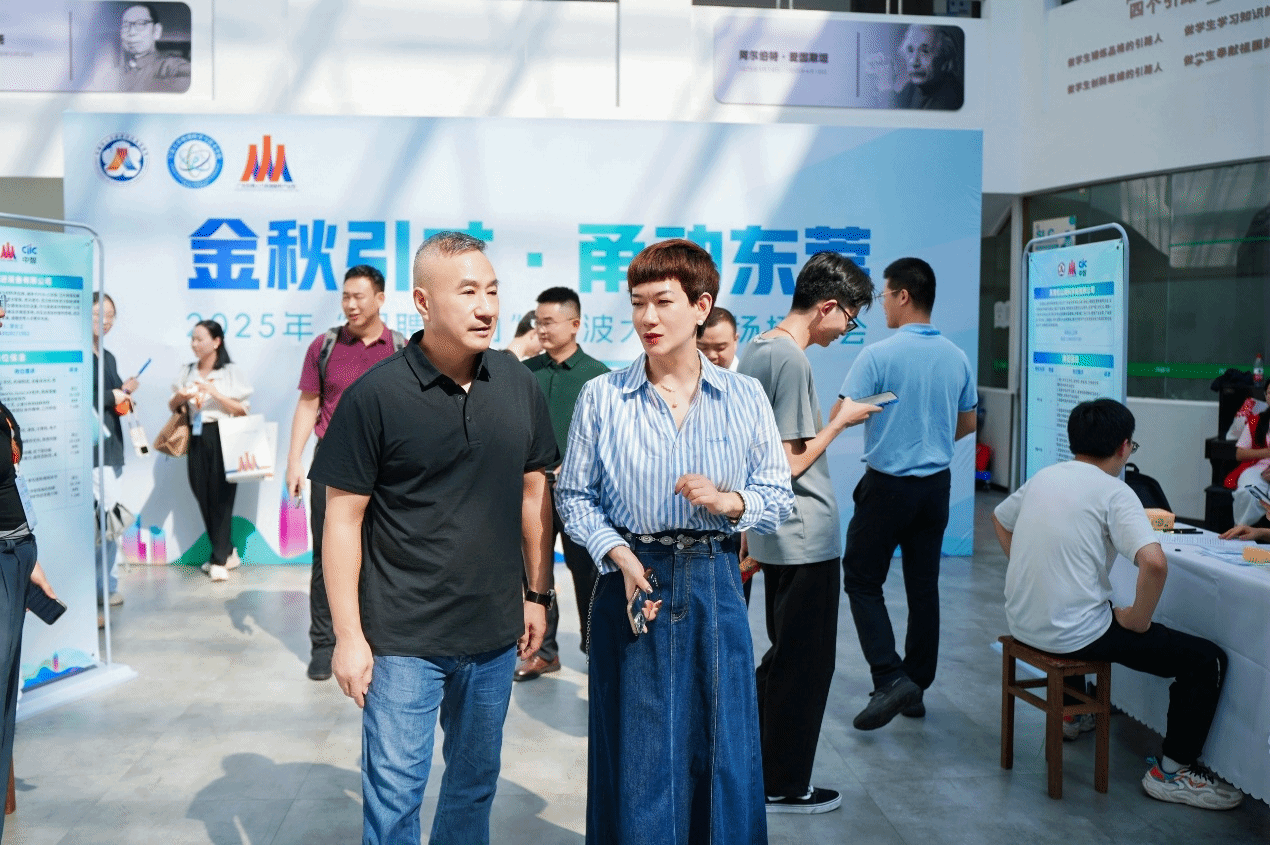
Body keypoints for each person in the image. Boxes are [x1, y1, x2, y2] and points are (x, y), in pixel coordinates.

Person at [310, 231, 558, 844]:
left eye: (493, 291)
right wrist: (348, 637)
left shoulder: (517, 382)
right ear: (423, 302)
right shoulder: (376, 396)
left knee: (473, 786)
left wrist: (537, 595)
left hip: (494, 634)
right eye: (468, 292)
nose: (486, 307)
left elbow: (535, 491)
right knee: (395, 798)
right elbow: (341, 521)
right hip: (403, 639)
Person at [556, 239, 794, 845]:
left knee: (723, 745)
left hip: (716, 578)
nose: (647, 317)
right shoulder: (603, 397)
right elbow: (574, 496)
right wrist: (617, 553)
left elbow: (777, 495)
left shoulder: (744, 396)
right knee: (640, 749)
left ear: (700, 306)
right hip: (636, 578)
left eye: (663, 302)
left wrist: (729, 502)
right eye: (638, 303)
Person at [993, 399, 1243, 811]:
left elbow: (1000, 519)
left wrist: (1027, 569)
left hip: (1023, 621)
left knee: (1087, 606)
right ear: (1124, 446)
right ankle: (1173, 771)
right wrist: (1138, 621)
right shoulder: (1115, 491)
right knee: (1205, 661)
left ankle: (1074, 712)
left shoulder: (1043, 476)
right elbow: (1154, 564)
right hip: (1072, 634)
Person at [738, 252, 880, 814]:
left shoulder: (758, 348)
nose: (847, 328)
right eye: (850, 317)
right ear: (828, 306)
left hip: (777, 533)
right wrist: (841, 420)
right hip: (803, 532)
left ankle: (756, 764)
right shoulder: (790, 359)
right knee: (806, 664)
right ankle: (783, 783)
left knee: (785, 656)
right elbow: (790, 463)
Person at [838, 256, 976, 730]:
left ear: (903, 295)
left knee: (861, 579)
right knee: (923, 586)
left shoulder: (878, 355)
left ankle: (889, 676)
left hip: (887, 487)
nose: (881, 306)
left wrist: (890, 425)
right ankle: (915, 685)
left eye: (884, 296)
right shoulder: (957, 357)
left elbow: (843, 416)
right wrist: (927, 438)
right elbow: (968, 422)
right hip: (936, 487)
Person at [284, 265, 405, 682]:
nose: (351, 305)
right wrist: (294, 460)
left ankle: (375, 638)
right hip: (332, 465)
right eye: (345, 297)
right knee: (328, 557)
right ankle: (324, 644)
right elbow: (309, 403)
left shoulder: (402, 348)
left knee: (382, 554)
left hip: (387, 468)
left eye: (359, 296)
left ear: (380, 299)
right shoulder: (325, 346)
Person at [516, 287, 609, 682]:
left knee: (587, 572)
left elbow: (609, 440)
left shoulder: (598, 376)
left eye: (549, 322)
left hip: (580, 496)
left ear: (575, 325)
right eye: (538, 322)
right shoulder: (525, 372)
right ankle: (542, 651)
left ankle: (595, 649)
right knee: (535, 572)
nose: (542, 329)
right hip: (531, 492)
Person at [0, 298, 59, 842]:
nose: (1, 318)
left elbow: (12, 484)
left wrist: (30, 554)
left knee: (5, 695)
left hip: (16, 554)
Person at [168, 320, 253, 583]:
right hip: (196, 434)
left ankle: (218, 560)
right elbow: (173, 405)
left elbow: (242, 409)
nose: (194, 344)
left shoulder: (230, 372)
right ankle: (226, 551)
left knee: (222, 496)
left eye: (200, 339)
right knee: (201, 492)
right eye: (192, 339)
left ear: (216, 342)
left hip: (223, 434)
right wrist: (182, 396)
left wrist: (215, 393)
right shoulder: (187, 370)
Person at [92, 292, 139, 608]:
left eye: (110, 316)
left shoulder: (107, 356)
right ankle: (102, 587)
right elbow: (83, 396)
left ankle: (105, 585)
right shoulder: (78, 354)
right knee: (105, 521)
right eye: (99, 314)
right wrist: (114, 395)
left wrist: (125, 396)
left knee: (109, 521)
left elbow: (115, 401)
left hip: (113, 448)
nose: (105, 321)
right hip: (92, 450)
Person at [113, 4, 191, 93]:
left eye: (141, 24)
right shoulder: (114, 73)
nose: (131, 32)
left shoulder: (173, 67)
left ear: (157, 31)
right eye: (125, 26)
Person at [894, 25, 963, 111]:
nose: (914, 62)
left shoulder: (952, 99)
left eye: (925, 51)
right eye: (910, 50)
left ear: (944, 59)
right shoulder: (910, 89)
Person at [1230, 404, 1270, 527]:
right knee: (1248, 492)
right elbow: (1239, 454)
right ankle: (1241, 530)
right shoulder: (1256, 421)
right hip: (1259, 469)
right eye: (1268, 394)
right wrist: (1267, 452)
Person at [696, 306, 740, 371]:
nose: (711, 356)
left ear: (735, 340)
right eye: (702, 348)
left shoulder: (750, 375)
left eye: (720, 348)